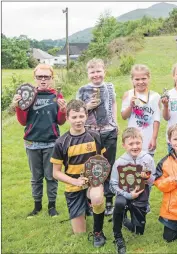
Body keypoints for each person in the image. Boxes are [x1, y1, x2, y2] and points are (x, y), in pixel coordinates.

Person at [12, 63, 66, 218]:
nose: (43, 80)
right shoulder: (28, 95)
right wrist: (18, 107)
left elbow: (60, 121)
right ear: (34, 78)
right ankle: (37, 206)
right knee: (36, 177)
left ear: (51, 78)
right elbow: (23, 122)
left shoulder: (57, 96)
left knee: (51, 176)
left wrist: (63, 110)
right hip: (32, 142)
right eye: (39, 77)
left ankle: (52, 206)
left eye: (46, 77)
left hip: (51, 142)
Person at [51, 99, 107, 247]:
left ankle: (98, 232)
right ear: (67, 117)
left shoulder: (95, 136)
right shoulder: (61, 142)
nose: (78, 120)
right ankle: (86, 209)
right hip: (73, 187)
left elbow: (102, 162)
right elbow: (56, 173)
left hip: (92, 183)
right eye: (74, 117)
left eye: (81, 116)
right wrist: (75, 181)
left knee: (96, 198)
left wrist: (96, 179)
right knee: (80, 233)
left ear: (86, 115)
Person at [76, 58, 118, 216]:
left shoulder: (109, 87)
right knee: (91, 166)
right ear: (88, 74)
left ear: (104, 72)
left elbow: (113, 104)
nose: (96, 75)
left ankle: (108, 200)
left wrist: (115, 122)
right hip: (90, 132)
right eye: (92, 72)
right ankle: (90, 201)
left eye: (98, 71)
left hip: (108, 131)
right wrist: (87, 107)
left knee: (108, 165)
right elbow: (77, 111)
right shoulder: (82, 90)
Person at [110, 127, 156, 254]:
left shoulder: (148, 159)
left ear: (142, 142)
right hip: (124, 193)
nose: (135, 146)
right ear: (124, 145)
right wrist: (128, 195)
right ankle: (117, 234)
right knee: (119, 203)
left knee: (138, 231)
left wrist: (148, 179)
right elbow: (112, 184)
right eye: (131, 144)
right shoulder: (119, 162)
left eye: (138, 143)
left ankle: (126, 219)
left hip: (141, 195)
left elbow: (155, 179)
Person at [121, 64, 161, 156]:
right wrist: (131, 106)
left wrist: (154, 138)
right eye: (137, 79)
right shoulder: (128, 95)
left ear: (149, 78)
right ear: (132, 80)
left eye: (144, 79)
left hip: (148, 138)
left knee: (147, 167)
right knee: (133, 168)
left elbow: (157, 119)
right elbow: (123, 116)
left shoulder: (155, 96)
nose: (141, 82)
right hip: (132, 140)